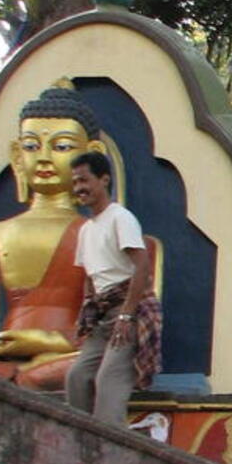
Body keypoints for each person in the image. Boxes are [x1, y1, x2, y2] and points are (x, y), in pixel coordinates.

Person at [0, 88, 105, 389]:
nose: (43, 158)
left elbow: (116, 326)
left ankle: (25, 380)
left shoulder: (101, 234)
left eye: (62, 146)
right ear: (17, 155)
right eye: (31, 146)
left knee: (100, 362)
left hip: (67, 355)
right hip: (0, 357)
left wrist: (47, 341)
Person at [65, 150, 162, 424]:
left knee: (108, 381)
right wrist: (86, 318)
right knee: (77, 376)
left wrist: (126, 316)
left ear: (104, 180)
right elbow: (90, 278)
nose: (79, 188)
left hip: (128, 312)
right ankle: (80, 438)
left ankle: (110, 442)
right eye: (75, 182)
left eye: (84, 180)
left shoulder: (120, 217)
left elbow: (142, 266)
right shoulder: (86, 229)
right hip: (102, 317)